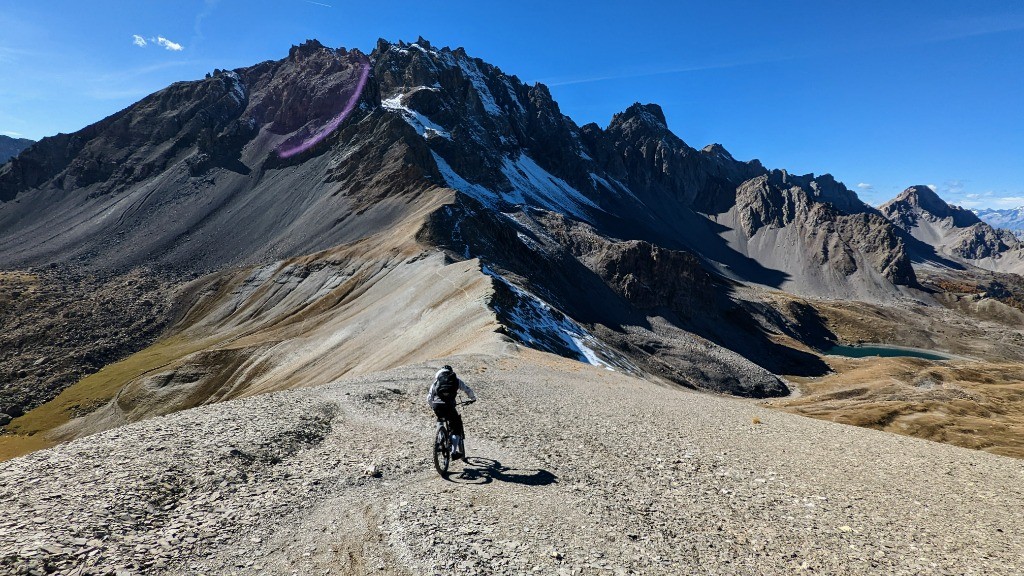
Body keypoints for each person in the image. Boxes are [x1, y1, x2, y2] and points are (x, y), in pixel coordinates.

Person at [426, 364, 476, 459]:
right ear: (451, 372)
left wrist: (433, 406)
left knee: (440, 419)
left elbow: (429, 397)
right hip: (449, 405)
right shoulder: (456, 380)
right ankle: (453, 452)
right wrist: (472, 398)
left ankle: (440, 438)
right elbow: (467, 389)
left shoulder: (436, 381)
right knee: (455, 424)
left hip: (437, 405)